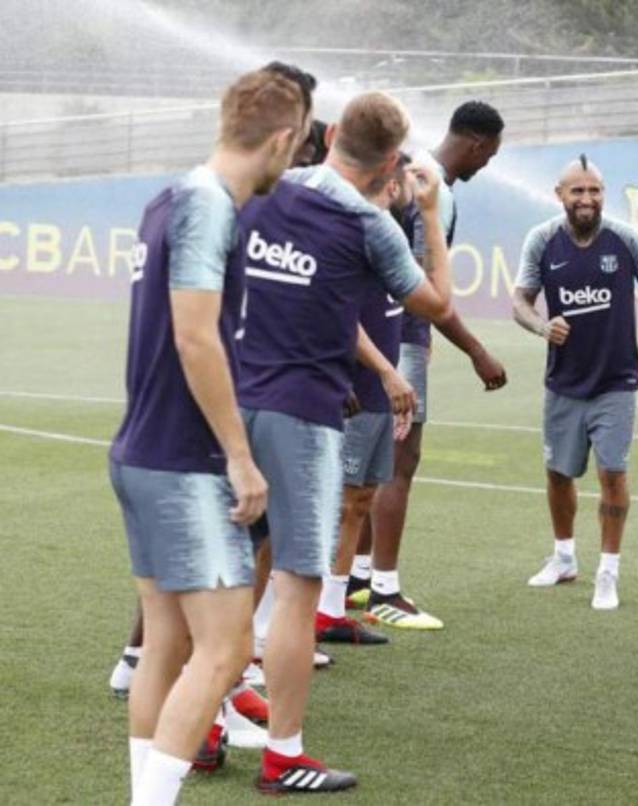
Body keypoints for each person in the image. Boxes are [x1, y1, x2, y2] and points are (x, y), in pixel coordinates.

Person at [235, 90, 452, 794]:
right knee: (299, 589)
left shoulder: (272, 189)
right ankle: (284, 753)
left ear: (328, 136)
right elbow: (436, 304)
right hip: (304, 415)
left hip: (235, 405)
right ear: (393, 161)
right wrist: (426, 212)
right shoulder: (371, 222)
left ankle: (205, 726)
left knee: (228, 571)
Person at [108, 68, 306, 805]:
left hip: (141, 454)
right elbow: (196, 339)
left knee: (167, 645)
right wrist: (239, 455)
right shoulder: (208, 207)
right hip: (185, 465)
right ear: (283, 139)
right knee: (223, 653)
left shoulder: (167, 199)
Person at [357, 101, 509, 631]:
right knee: (401, 458)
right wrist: (477, 351)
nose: (488, 164)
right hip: (399, 334)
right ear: (478, 144)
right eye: (490, 153)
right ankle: (385, 588)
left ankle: (355, 577)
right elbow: (422, 286)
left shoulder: (414, 172)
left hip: (384, 330)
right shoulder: (433, 190)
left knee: (374, 459)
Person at [511, 155, 638, 611]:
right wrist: (543, 326)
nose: (587, 199)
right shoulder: (542, 240)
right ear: (560, 195)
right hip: (563, 383)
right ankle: (564, 557)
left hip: (617, 382)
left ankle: (608, 570)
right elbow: (520, 301)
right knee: (559, 473)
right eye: (577, 191)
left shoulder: (624, 238)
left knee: (612, 472)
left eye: (595, 190)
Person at [314, 153, 416, 645]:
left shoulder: (391, 240)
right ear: (392, 186)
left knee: (359, 500)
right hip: (356, 391)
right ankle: (308, 610)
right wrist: (386, 373)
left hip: (379, 393)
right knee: (337, 502)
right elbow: (342, 318)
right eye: (410, 179)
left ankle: (331, 609)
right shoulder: (358, 238)